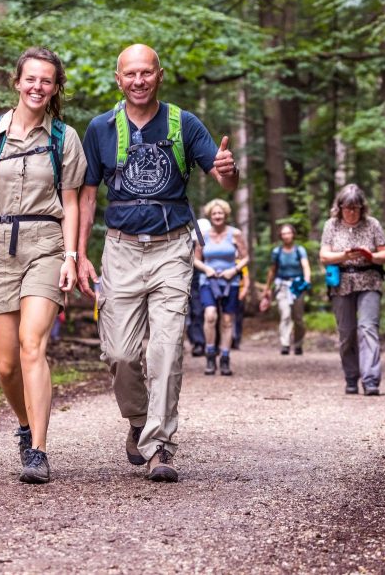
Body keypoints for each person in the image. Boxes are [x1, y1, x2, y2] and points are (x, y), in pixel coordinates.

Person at [77, 44, 238, 483]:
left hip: (172, 247)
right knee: (120, 353)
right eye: (130, 73)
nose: (139, 80)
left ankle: (160, 445)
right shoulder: (101, 128)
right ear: (118, 79)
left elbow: (223, 177)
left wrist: (229, 169)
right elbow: (88, 194)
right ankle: (138, 420)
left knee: (165, 349)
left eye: (146, 72)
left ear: (159, 75)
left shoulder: (183, 123)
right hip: (120, 248)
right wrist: (79, 253)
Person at [0, 47, 87, 483]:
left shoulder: (64, 137)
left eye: (46, 81)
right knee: (6, 364)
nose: (37, 87)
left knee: (33, 344)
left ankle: (39, 453)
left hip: (45, 242)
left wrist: (71, 256)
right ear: (17, 81)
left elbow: (73, 200)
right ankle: (25, 427)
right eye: (31, 79)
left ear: (55, 88)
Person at [319, 184, 385, 396]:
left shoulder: (372, 224)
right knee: (347, 332)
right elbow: (324, 256)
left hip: (369, 280)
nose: (352, 212)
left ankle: (371, 380)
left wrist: (371, 256)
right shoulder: (331, 225)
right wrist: (344, 256)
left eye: (356, 208)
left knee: (368, 328)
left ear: (362, 208)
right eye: (348, 208)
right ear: (340, 207)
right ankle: (351, 376)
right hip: (341, 283)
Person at [193, 199, 249, 376]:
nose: (218, 216)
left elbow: (246, 257)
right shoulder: (203, 235)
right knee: (210, 315)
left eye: (221, 213)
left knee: (227, 320)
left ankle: (225, 358)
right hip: (208, 281)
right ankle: (210, 355)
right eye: (215, 213)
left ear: (226, 215)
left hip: (230, 281)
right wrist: (206, 268)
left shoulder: (235, 234)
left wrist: (234, 270)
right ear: (210, 215)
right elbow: (195, 259)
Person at [259, 223, 312, 355]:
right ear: (280, 236)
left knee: (298, 318)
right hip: (282, 285)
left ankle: (298, 344)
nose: (286, 236)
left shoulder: (300, 250)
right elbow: (272, 270)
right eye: (284, 234)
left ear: (293, 234)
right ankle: (285, 344)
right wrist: (267, 288)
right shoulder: (277, 252)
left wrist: (307, 280)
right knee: (285, 314)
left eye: (288, 233)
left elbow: (305, 266)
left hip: (297, 285)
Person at [185, 217, 210, 357]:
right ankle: (198, 343)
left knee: (207, 312)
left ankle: (211, 343)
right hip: (193, 282)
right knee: (196, 312)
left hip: (209, 281)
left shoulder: (212, 244)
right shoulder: (191, 245)